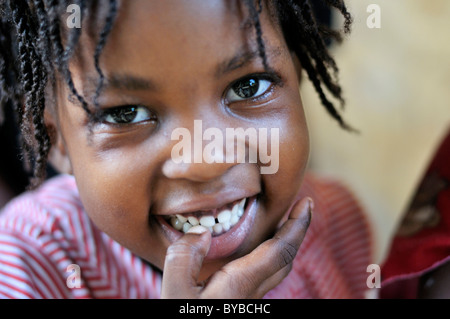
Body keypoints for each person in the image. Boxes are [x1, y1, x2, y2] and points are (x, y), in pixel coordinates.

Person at [0, 0, 372, 298]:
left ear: (298, 78)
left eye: (248, 87)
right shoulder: (31, 258)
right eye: (127, 113)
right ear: (53, 139)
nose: (205, 161)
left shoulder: (339, 225)